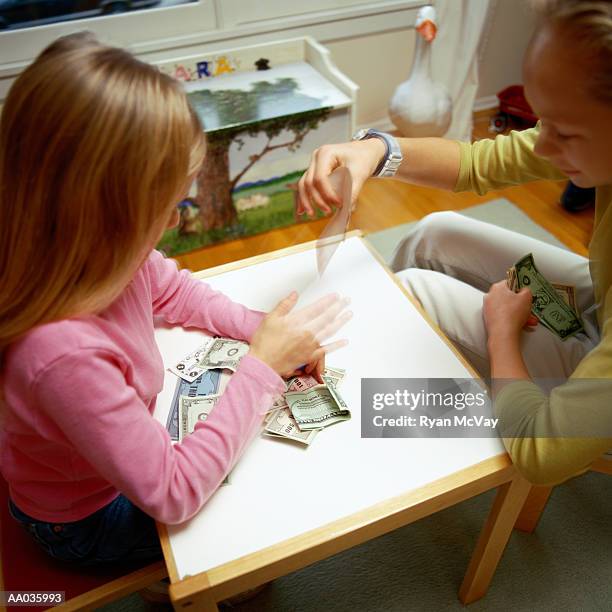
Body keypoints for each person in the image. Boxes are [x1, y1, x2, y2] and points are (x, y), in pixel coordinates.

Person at [0, 32, 351, 565]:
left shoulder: (97, 256)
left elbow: (175, 289)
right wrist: (261, 367)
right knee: (255, 514)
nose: (174, 221)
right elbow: (174, 492)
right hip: (88, 520)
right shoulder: (61, 354)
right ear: (103, 218)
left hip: (108, 470)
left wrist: (258, 330)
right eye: (166, 206)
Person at [298, 0, 612, 485]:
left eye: (564, 133)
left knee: (416, 290)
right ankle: (382, 384)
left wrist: (501, 332)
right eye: (544, 122)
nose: (542, 148)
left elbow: (544, 454)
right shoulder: (594, 134)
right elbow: (481, 163)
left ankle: (379, 422)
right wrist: (375, 149)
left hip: (589, 392)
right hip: (600, 307)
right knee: (434, 232)